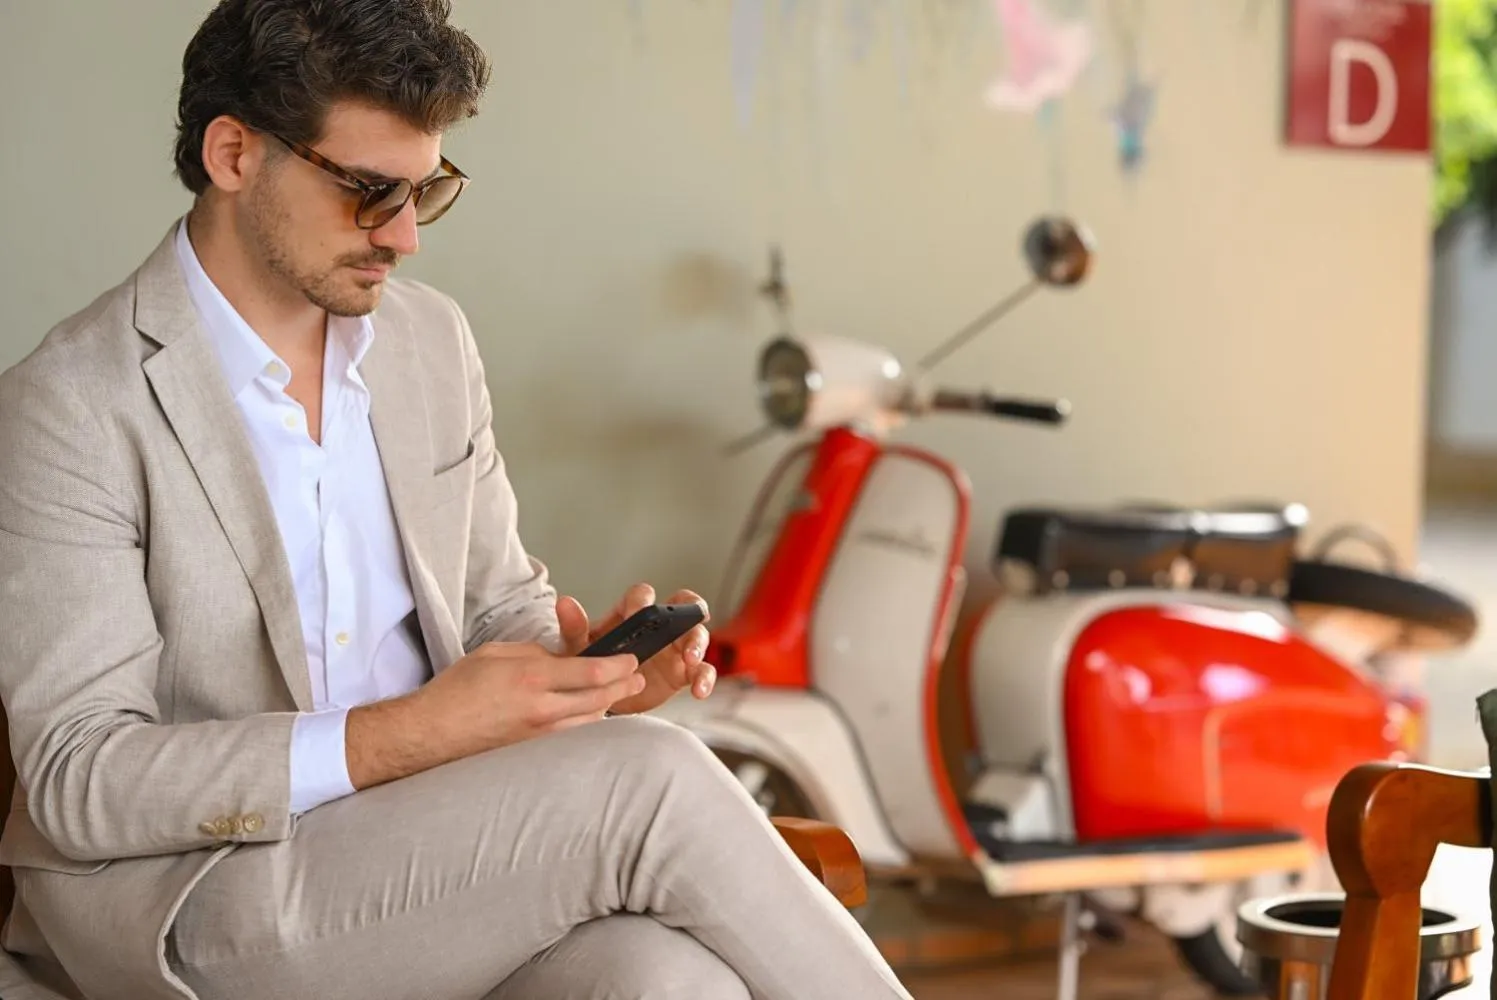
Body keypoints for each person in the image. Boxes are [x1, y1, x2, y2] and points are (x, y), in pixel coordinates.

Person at [0, 2, 916, 998]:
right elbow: (78, 779)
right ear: (233, 154)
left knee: (666, 980)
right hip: (199, 898)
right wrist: (420, 731)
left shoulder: (428, 344)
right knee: (651, 780)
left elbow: (498, 615)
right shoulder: (71, 406)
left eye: (425, 191)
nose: (404, 238)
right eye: (368, 193)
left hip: (435, 866)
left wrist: (582, 678)